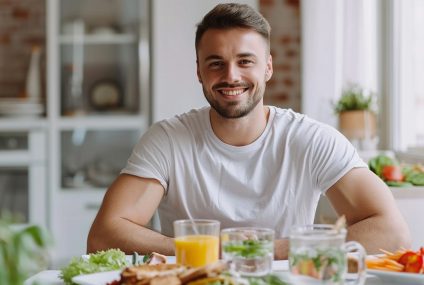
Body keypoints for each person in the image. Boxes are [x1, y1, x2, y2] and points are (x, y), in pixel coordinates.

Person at [87, 3, 410, 259]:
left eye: (245, 61)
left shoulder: (311, 138)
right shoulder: (169, 139)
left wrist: (265, 252)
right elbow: (105, 234)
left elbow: (392, 232)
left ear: (268, 67)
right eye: (216, 63)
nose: (231, 76)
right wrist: (212, 253)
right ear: (199, 70)